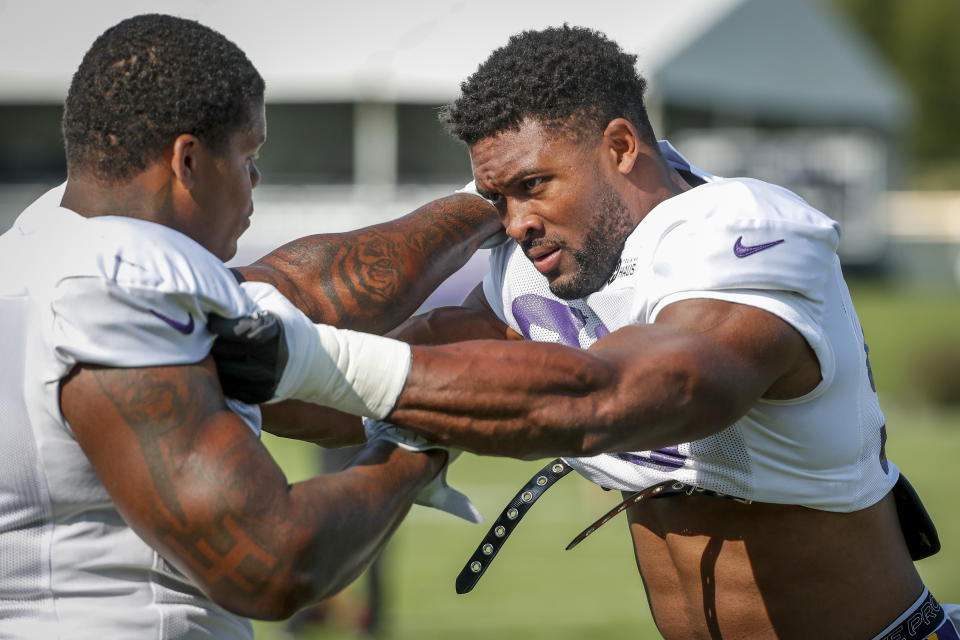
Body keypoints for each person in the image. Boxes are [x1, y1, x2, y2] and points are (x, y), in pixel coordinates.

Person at [213, 25, 960, 639]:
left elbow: (617, 396)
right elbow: (326, 405)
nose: (515, 222)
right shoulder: (542, 266)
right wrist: (218, 347)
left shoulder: (743, 228)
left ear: (622, 146)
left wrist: (307, 358)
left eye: (533, 184)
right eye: (495, 196)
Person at [0, 13, 501, 639]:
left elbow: (300, 289)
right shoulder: (116, 282)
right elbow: (270, 560)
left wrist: (489, 201)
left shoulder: (48, 248)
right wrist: (416, 445)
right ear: (187, 161)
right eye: (248, 156)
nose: (255, 180)